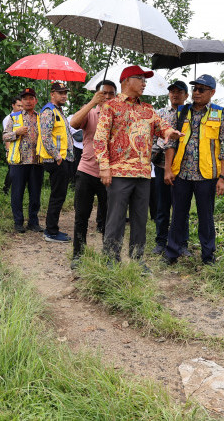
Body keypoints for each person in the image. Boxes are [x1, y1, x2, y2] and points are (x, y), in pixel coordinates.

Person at [94, 65, 182, 269]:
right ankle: (111, 260)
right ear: (125, 81)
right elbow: (100, 139)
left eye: (145, 80)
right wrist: (104, 167)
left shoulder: (148, 109)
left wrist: (170, 132)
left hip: (143, 173)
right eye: (140, 79)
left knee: (140, 219)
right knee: (115, 219)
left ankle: (137, 259)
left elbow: (161, 127)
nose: (144, 83)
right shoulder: (111, 106)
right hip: (119, 172)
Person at [164, 74, 224, 266]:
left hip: (207, 175)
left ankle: (208, 256)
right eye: (195, 89)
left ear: (212, 92)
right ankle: (172, 253)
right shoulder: (180, 112)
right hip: (182, 174)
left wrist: (222, 178)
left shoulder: (220, 114)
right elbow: (170, 144)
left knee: (206, 217)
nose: (196, 93)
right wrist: (168, 170)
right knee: (177, 215)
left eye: (201, 89)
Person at [70, 80, 117, 267]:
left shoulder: (118, 115)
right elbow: (73, 123)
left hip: (109, 174)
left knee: (108, 218)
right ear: (97, 94)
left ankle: (108, 256)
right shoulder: (89, 112)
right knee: (81, 215)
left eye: (111, 94)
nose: (107, 97)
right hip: (87, 171)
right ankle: (78, 255)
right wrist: (91, 103)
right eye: (103, 93)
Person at [152, 80, 191, 257]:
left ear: (186, 95)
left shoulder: (190, 114)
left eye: (179, 92)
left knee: (181, 207)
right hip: (161, 166)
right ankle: (161, 241)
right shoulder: (159, 114)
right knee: (162, 205)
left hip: (184, 169)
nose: (175, 94)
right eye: (172, 91)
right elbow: (153, 137)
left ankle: (182, 243)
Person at [37, 82, 75, 243]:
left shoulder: (59, 111)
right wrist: (57, 156)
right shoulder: (48, 111)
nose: (64, 96)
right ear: (52, 94)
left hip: (61, 159)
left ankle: (52, 229)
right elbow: (45, 137)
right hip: (56, 160)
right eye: (60, 93)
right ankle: (51, 231)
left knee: (59, 195)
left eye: (65, 93)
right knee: (57, 196)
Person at [3, 87, 44, 233]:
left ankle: (33, 222)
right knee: (17, 193)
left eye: (31, 98)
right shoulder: (14, 117)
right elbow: (5, 136)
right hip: (19, 162)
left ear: (35, 100)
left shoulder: (41, 118)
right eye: (25, 98)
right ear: (21, 101)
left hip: (37, 161)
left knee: (35, 194)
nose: (28, 101)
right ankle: (18, 222)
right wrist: (16, 132)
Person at [2, 96, 22, 195]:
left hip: (20, 150)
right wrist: (8, 151)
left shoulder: (22, 117)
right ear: (13, 105)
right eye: (18, 106)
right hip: (12, 149)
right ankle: (6, 189)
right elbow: (6, 135)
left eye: (22, 106)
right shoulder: (9, 119)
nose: (20, 108)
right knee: (11, 170)